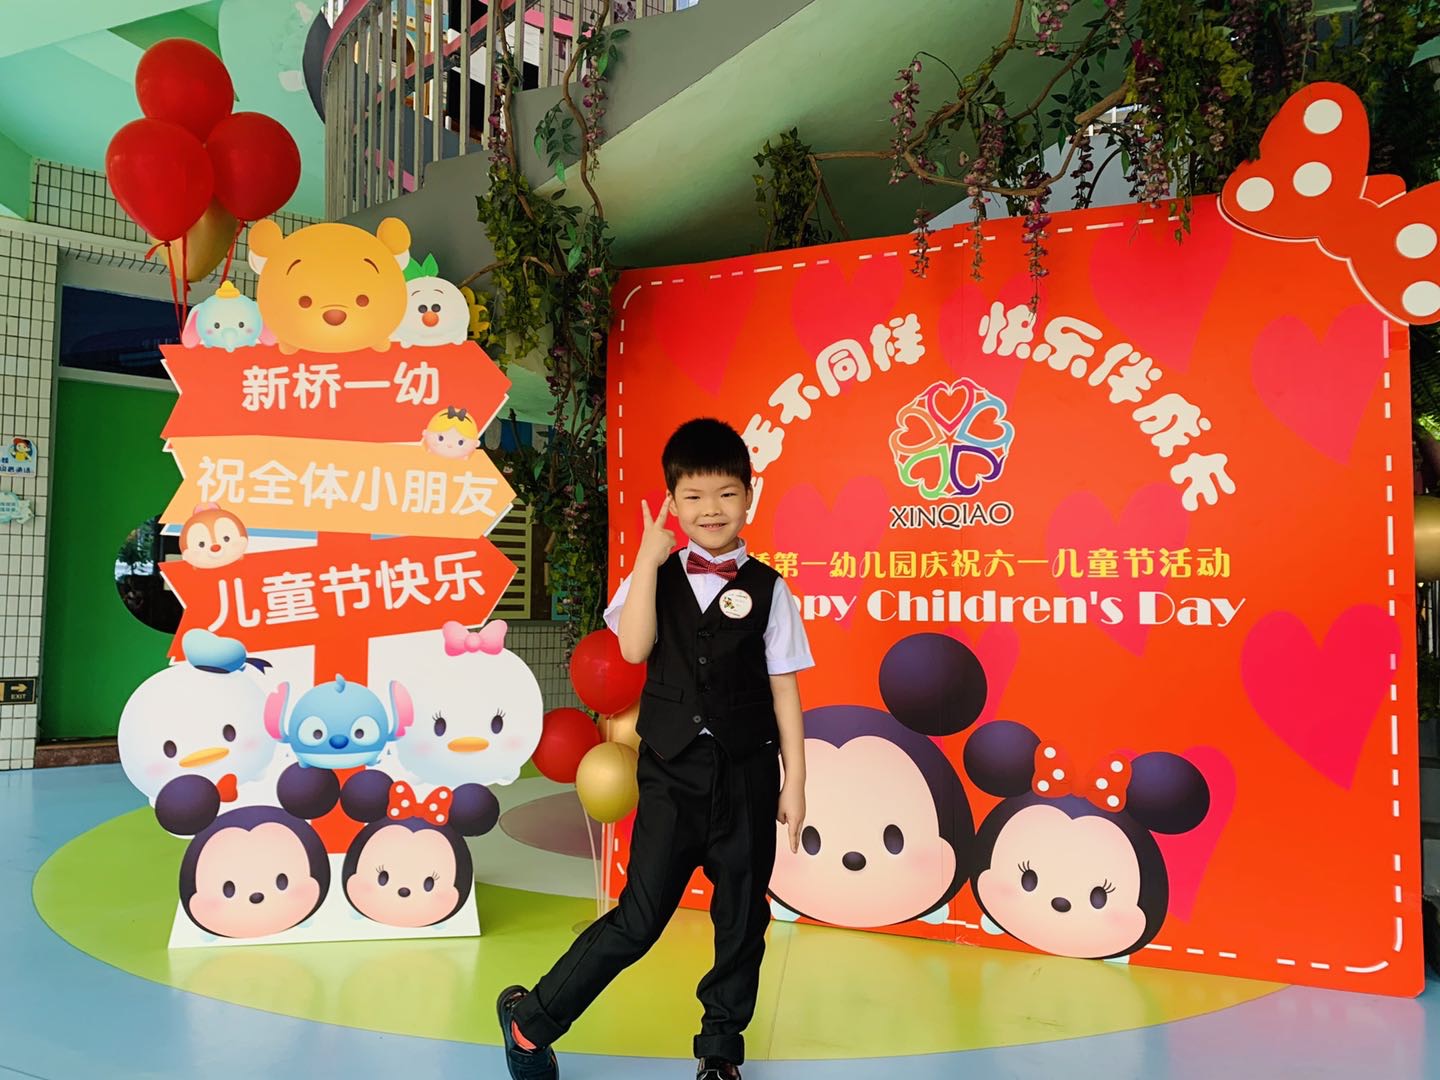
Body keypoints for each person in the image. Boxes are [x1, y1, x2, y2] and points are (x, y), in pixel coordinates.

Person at [498, 418, 812, 1080]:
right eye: (693, 496)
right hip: (672, 778)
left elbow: (784, 689)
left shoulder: (770, 589)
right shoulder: (656, 576)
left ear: (749, 496)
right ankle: (532, 1022)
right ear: (673, 501)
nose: (711, 510)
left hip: (748, 777)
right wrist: (646, 558)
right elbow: (635, 648)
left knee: (741, 922)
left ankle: (720, 1054)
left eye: (726, 494)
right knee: (638, 921)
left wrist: (796, 781)